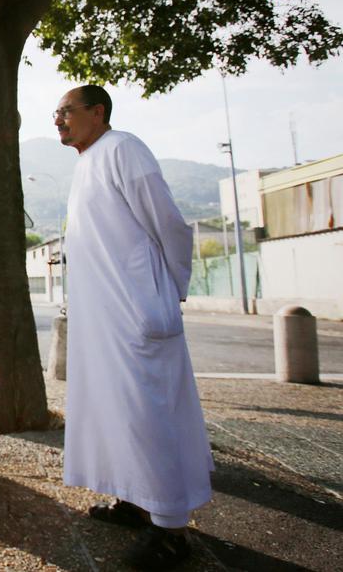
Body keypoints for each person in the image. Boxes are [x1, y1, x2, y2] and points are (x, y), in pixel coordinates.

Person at [55, 85, 213, 570]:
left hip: (135, 311)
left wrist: (169, 288)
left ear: (97, 112)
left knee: (148, 415)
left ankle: (170, 531)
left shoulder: (124, 148)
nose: (58, 121)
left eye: (65, 112)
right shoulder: (88, 162)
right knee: (113, 411)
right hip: (104, 319)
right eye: (55, 114)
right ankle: (131, 497)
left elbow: (168, 224)